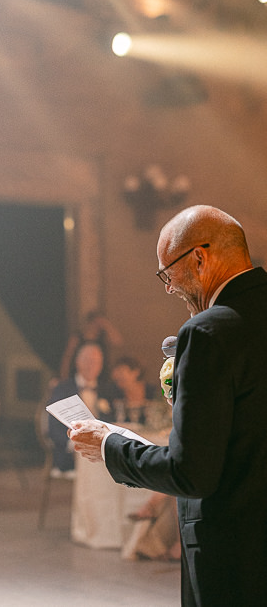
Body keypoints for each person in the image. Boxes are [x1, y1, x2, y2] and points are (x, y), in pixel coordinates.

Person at [68, 205, 267, 607]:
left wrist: (111, 445)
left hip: (233, 552)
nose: (167, 287)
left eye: (167, 272)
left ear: (199, 257)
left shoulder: (207, 331)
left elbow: (190, 472)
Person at [47, 341, 117, 473]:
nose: (92, 366)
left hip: (103, 451)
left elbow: (113, 421)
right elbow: (53, 428)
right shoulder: (62, 389)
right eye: (88, 361)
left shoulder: (107, 390)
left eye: (96, 362)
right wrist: (76, 445)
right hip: (72, 454)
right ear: (77, 362)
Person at [110, 355, 157, 426]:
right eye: (116, 371)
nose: (117, 376)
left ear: (136, 372)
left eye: (121, 371)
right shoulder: (115, 395)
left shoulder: (154, 393)